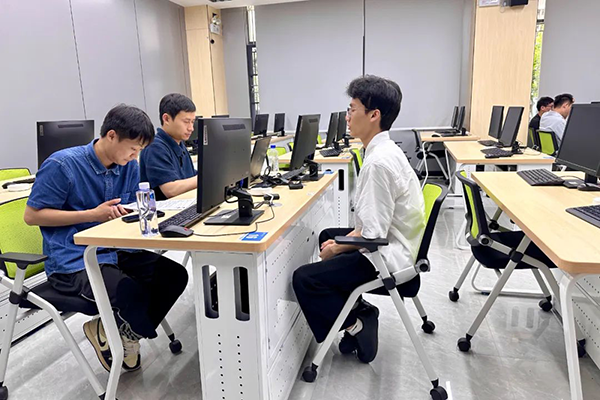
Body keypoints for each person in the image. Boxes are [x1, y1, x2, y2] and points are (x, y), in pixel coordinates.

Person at [24, 105, 189, 372]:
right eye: (132, 148)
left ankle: (121, 333)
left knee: (174, 276)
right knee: (130, 291)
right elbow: (32, 216)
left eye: (139, 150)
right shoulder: (62, 165)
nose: (135, 156)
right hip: (73, 260)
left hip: (114, 250)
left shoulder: (129, 166)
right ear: (111, 135)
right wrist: (92, 214)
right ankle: (121, 332)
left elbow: (126, 209)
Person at [292, 75, 425, 363]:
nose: (347, 117)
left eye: (352, 109)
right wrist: (338, 242)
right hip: (396, 244)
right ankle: (357, 308)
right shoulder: (384, 150)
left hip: (388, 258)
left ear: (374, 115)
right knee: (328, 234)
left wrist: (338, 248)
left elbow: (373, 235)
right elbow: (372, 224)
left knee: (305, 279)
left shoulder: (378, 163)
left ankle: (356, 325)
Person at [140, 93, 197, 200]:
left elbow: (191, 177)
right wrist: (204, 178)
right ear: (166, 119)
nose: (191, 128)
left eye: (192, 122)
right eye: (186, 122)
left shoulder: (180, 144)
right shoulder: (155, 147)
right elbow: (170, 190)